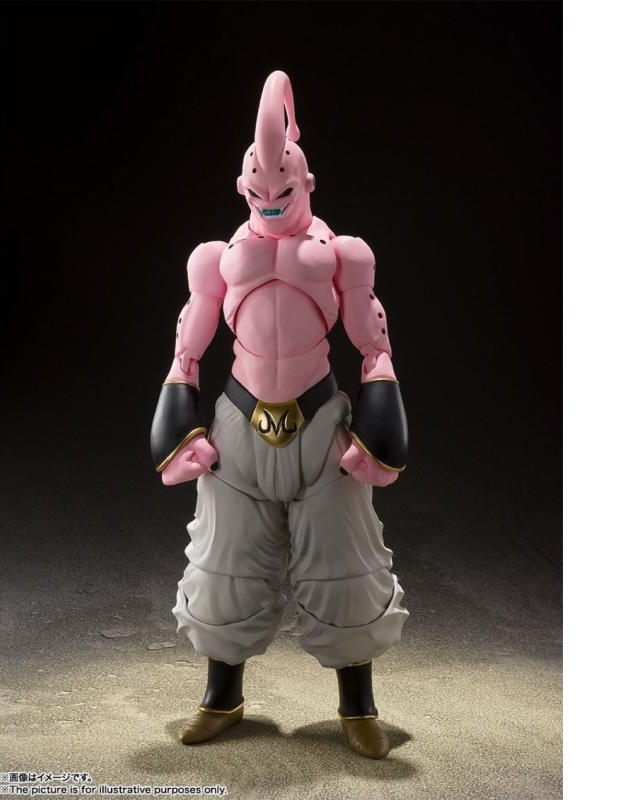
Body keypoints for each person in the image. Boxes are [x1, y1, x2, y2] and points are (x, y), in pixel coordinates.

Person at [149, 70, 409, 760]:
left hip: (321, 424)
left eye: (282, 184)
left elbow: (374, 346)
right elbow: (187, 349)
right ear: (243, 187)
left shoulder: (342, 255)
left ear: (306, 182)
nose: (270, 196)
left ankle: (358, 705)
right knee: (223, 562)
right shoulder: (216, 259)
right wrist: (177, 428)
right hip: (238, 423)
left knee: (344, 563)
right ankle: (221, 696)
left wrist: (379, 437)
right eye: (258, 187)